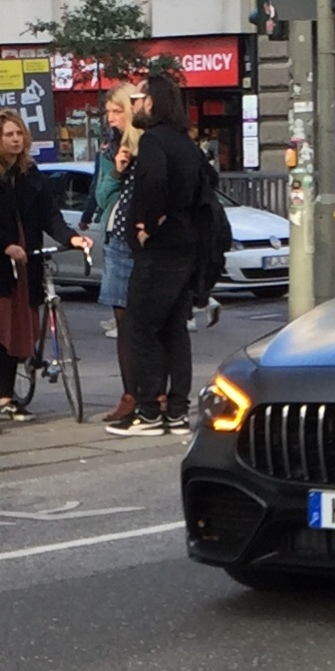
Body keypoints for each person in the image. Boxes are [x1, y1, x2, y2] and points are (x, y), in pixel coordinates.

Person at [105, 74, 204, 437]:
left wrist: (148, 223)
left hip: (159, 250)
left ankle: (148, 412)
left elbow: (155, 182)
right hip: (185, 246)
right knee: (175, 329)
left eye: (137, 98)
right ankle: (176, 411)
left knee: (140, 327)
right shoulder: (185, 142)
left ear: (152, 101)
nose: (134, 105)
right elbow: (203, 186)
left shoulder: (154, 142)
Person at [0, 110, 93, 422]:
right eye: (8, 134)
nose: (15, 139)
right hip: (3, 263)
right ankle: (4, 396)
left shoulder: (30, 173)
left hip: (28, 261)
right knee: (2, 329)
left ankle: (7, 395)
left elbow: (50, 214)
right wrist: (5, 245)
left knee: (18, 330)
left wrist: (73, 238)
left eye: (18, 134)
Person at [93, 82, 146, 421]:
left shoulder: (149, 145)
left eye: (118, 112)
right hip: (116, 241)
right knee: (123, 325)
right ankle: (129, 395)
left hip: (144, 241)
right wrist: (116, 170)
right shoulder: (109, 148)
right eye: (108, 112)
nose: (111, 118)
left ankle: (155, 395)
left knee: (149, 324)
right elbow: (100, 198)